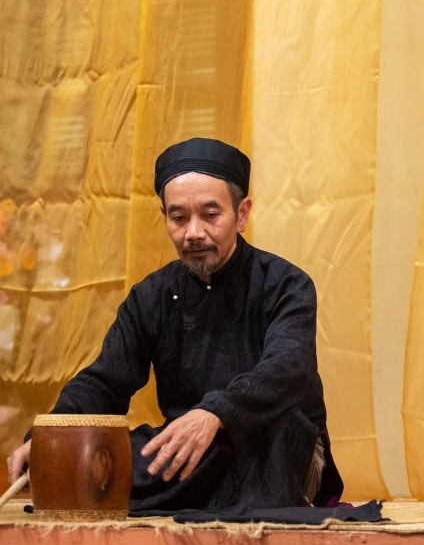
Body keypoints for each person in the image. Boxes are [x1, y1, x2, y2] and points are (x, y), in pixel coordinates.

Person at [5, 138, 343, 512]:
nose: (193, 232)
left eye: (210, 215)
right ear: (165, 217)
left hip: (272, 443)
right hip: (190, 447)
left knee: (243, 444)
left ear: (242, 214)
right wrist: (53, 435)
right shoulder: (152, 295)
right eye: (179, 218)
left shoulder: (285, 284)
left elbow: (286, 368)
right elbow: (105, 380)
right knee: (104, 455)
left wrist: (216, 413)